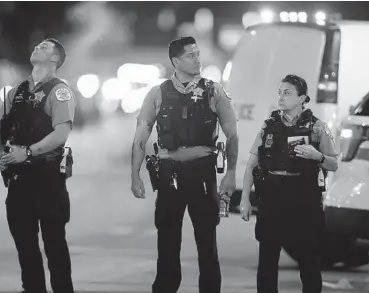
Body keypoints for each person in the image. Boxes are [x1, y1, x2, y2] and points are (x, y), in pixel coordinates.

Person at [130, 36, 238, 293]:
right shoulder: (157, 93)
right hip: (169, 175)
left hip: (202, 173)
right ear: (176, 61)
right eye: (191, 55)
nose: (198, 59)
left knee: (207, 245)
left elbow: (232, 134)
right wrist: (134, 174)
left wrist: (231, 174)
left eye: (198, 54)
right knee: (167, 245)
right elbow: (141, 134)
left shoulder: (214, 91)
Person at [240, 74, 339, 293]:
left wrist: (317, 156)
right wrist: (245, 199)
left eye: (287, 93)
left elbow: (334, 164)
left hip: (303, 198)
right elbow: (251, 164)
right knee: (267, 258)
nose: (281, 97)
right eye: (280, 92)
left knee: (309, 259)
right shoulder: (269, 125)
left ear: (302, 98)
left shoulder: (318, 127)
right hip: (272, 197)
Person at [0, 38, 75, 293]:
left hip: (48, 178)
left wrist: (28, 152)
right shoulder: (16, 91)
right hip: (19, 180)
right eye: (37, 45)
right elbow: (1, 126)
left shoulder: (59, 91)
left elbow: (61, 133)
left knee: (54, 245)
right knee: (25, 247)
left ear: (54, 59)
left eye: (44, 47)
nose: (37, 47)